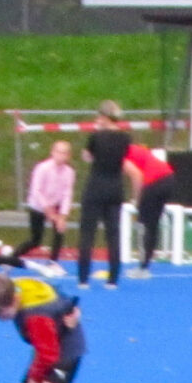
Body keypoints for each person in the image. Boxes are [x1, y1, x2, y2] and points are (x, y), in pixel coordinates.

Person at [76, 104, 132, 289]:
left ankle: (83, 278)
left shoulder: (96, 136)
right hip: (115, 187)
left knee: (87, 233)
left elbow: (87, 156)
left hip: (96, 186)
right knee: (113, 234)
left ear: (106, 117)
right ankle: (113, 279)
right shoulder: (125, 137)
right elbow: (123, 158)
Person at [126, 140, 180, 276]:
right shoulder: (135, 148)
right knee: (152, 225)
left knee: (143, 225)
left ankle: (142, 267)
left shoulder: (122, 154)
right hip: (169, 178)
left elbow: (136, 175)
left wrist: (136, 200)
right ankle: (146, 265)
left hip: (154, 183)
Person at [24, 139, 75, 262]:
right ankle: (11, 258)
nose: (61, 156)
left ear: (68, 156)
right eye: (58, 152)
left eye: (64, 153)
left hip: (55, 203)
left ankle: (53, 262)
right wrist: (49, 212)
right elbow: (36, 190)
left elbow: (67, 193)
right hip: (38, 205)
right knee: (36, 240)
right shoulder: (42, 168)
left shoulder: (69, 172)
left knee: (59, 231)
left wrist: (62, 216)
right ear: (52, 152)